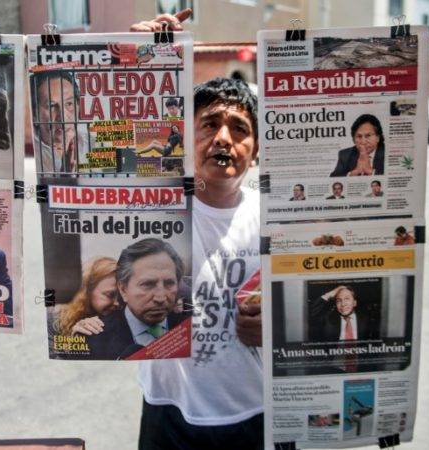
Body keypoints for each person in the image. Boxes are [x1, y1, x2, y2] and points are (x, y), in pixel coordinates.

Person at [131, 12, 263, 448]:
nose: (223, 138)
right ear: (184, 138)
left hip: (255, 412)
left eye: (239, 129)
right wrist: (146, 54)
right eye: (209, 124)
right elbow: (113, 138)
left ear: (256, 150)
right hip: (168, 410)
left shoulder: (277, 218)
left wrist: (277, 327)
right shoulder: (153, 202)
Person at [86, 238, 187, 359]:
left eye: (169, 283)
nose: (160, 298)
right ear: (123, 289)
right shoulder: (93, 340)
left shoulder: (191, 325)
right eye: (148, 284)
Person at [31, 70, 88, 173]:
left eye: (69, 104)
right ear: (34, 115)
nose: (63, 117)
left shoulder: (94, 143)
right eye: (52, 106)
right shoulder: (28, 154)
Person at [55, 257, 120, 336]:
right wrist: (77, 340)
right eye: (110, 295)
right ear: (87, 292)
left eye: (121, 296)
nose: (117, 303)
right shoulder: (56, 320)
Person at [308, 285, 377, 342]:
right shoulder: (328, 319)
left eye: (347, 299)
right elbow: (311, 313)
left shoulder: (367, 319)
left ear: (354, 303)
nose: (343, 304)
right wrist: (330, 294)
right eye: (338, 301)